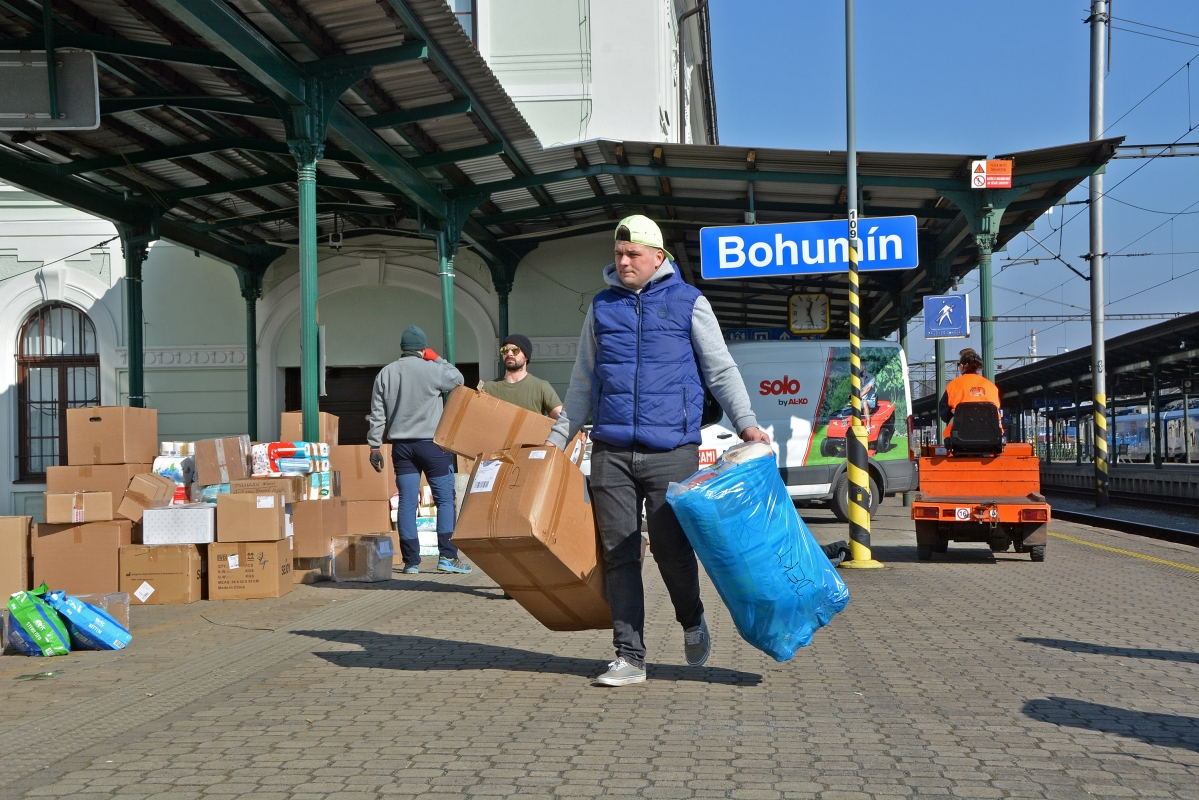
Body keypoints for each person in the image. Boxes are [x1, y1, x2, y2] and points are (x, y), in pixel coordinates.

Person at [546, 214, 770, 687]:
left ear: (658, 257)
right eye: (618, 254)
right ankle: (630, 656)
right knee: (619, 555)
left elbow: (721, 371)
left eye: (633, 255)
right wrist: (556, 441)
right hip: (609, 450)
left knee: (672, 551)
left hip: (672, 450)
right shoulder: (602, 308)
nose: (624, 262)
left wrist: (746, 424)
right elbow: (583, 381)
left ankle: (691, 618)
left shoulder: (689, 303)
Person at [367, 324, 472, 575]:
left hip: (402, 448)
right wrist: (437, 358)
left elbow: (377, 414)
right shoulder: (432, 369)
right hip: (432, 446)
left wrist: (374, 446)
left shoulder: (385, 373)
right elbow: (459, 379)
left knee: (406, 502)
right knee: (445, 500)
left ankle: (411, 562)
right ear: (422, 349)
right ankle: (447, 557)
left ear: (402, 349)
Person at [482, 334, 563, 419]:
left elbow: (564, 421)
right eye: (505, 350)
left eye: (515, 350)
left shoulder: (541, 387)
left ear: (526, 356)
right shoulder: (487, 389)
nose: (509, 354)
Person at [939, 347, 1001, 438]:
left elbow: (944, 413)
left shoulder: (953, 386)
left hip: (959, 437)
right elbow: (997, 410)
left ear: (961, 366)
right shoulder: (991, 387)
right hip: (991, 437)